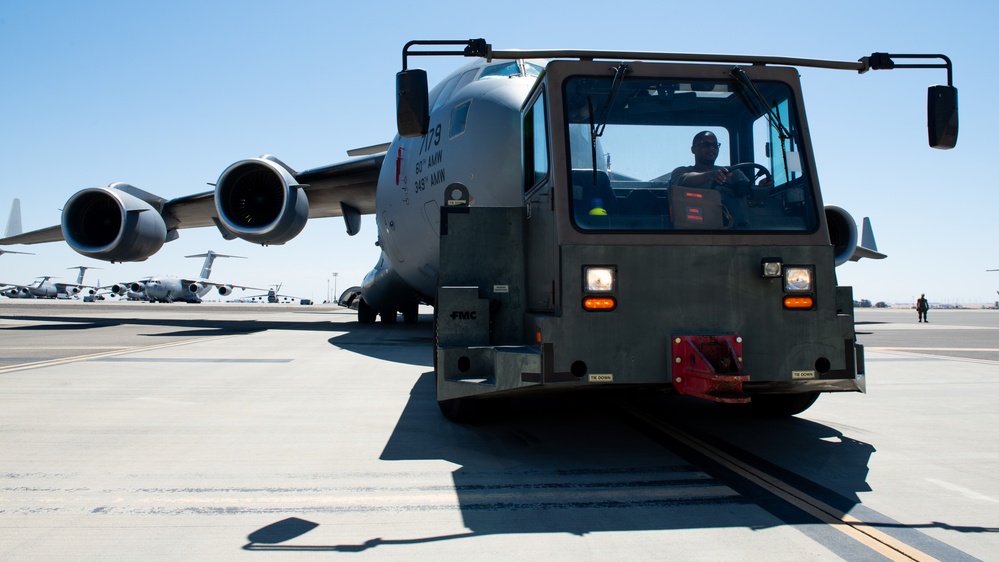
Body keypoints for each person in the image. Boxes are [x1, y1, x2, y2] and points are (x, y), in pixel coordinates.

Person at [669, 131, 773, 191]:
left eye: (715, 145)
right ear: (693, 149)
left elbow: (749, 194)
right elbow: (682, 181)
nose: (711, 148)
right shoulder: (681, 171)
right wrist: (710, 175)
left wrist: (761, 189)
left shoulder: (733, 173)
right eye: (706, 145)